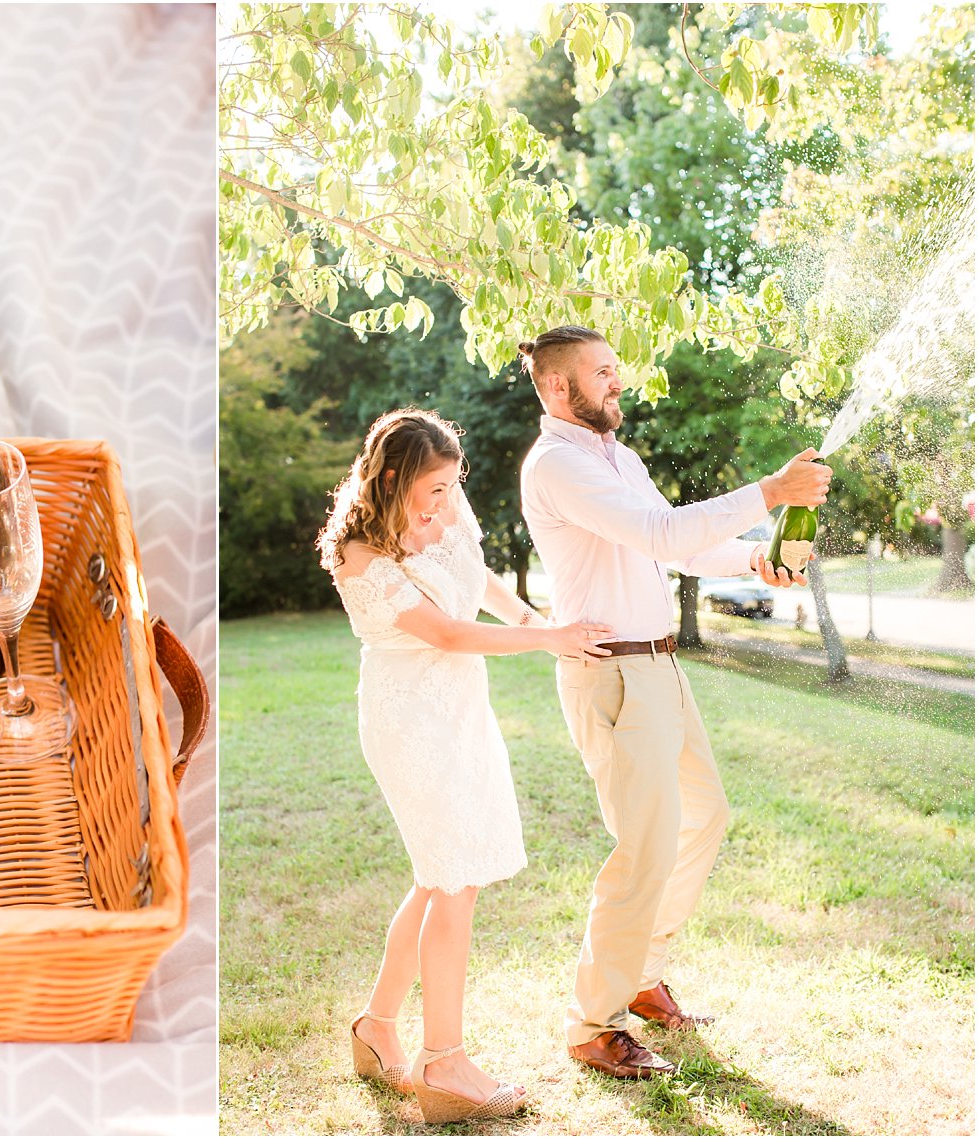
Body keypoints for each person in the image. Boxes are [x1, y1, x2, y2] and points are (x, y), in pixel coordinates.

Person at [517, 325, 831, 1080]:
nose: (615, 383)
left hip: (659, 667)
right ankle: (591, 1023)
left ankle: (643, 972)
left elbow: (677, 547)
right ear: (559, 387)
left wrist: (757, 556)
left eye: (616, 370)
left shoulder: (616, 457)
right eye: (601, 373)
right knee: (643, 849)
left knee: (706, 812)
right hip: (615, 676)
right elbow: (660, 529)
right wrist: (769, 492)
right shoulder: (556, 464)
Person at [318, 408, 615, 1123]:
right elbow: (447, 633)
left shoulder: (444, 499)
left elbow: (475, 579)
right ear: (390, 478)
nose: (447, 501)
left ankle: (377, 1026)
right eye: (434, 489)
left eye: (454, 485)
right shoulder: (360, 551)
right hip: (407, 715)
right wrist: (550, 638)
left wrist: (529, 618)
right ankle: (444, 1063)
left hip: (460, 710)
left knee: (442, 874)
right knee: (453, 879)